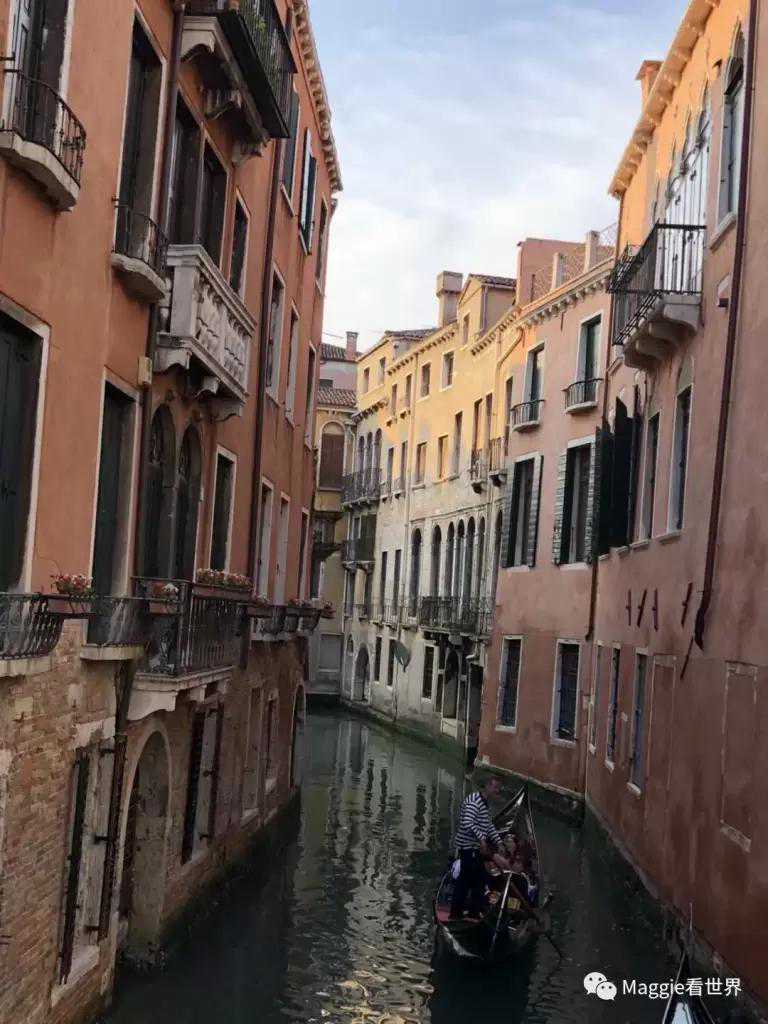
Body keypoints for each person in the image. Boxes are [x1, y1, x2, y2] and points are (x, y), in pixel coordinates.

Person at [450, 776, 510, 919]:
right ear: (487, 786)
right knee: (468, 881)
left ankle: (471, 913)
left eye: (499, 788)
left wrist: (499, 842)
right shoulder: (475, 802)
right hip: (468, 848)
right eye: (495, 787)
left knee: (479, 880)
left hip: (475, 849)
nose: (497, 791)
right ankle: (457, 914)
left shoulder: (485, 804)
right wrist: (481, 839)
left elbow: (488, 825)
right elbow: (467, 822)